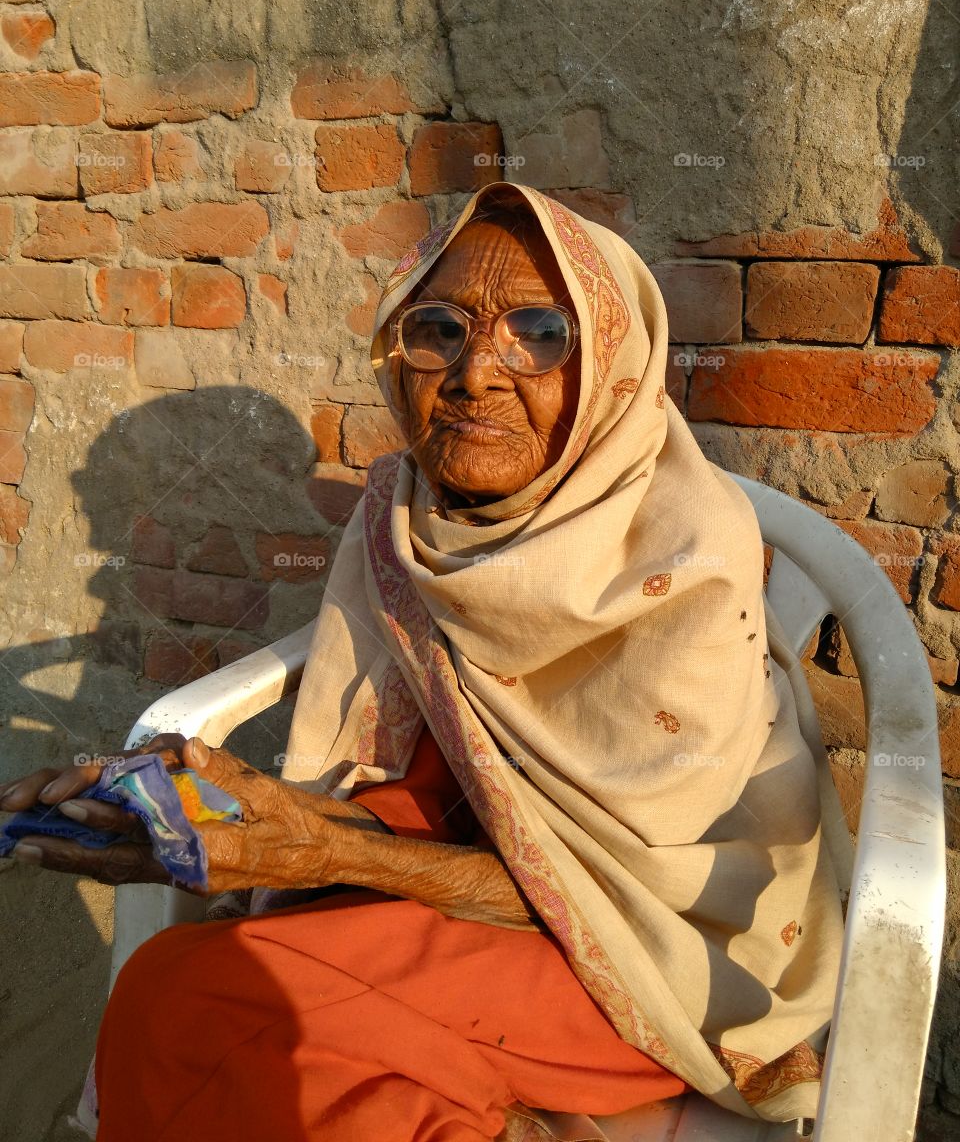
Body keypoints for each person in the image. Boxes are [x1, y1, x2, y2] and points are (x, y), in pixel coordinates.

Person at [0, 182, 848, 1141]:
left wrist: (331, 850)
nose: (476, 373)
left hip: (660, 954)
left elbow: (637, 890)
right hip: (456, 894)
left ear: (614, 366)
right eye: (439, 329)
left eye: (540, 334)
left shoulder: (682, 549)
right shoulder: (406, 518)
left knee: (219, 1004)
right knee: (194, 996)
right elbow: (413, 794)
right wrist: (219, 806)